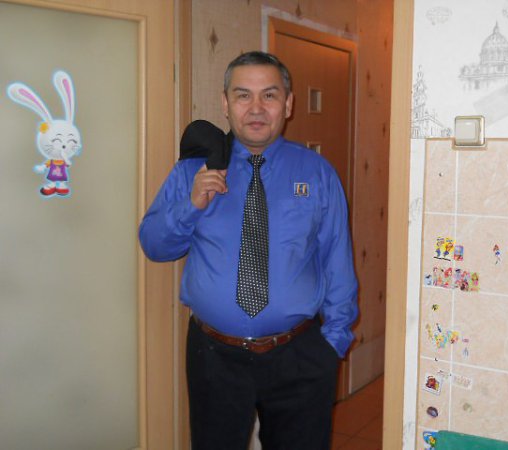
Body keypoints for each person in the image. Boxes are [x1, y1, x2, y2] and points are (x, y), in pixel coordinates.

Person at [139, 51, 358, 450]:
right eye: (243, 95)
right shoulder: (193, 171)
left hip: (300, 355)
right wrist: (191, 205)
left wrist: (333, 344)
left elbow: (336, 261)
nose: (256, 108)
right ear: (225, 103)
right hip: (214, 356)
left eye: (269, 95)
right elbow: (154, 245)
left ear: (288, 104)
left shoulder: (317, 173)